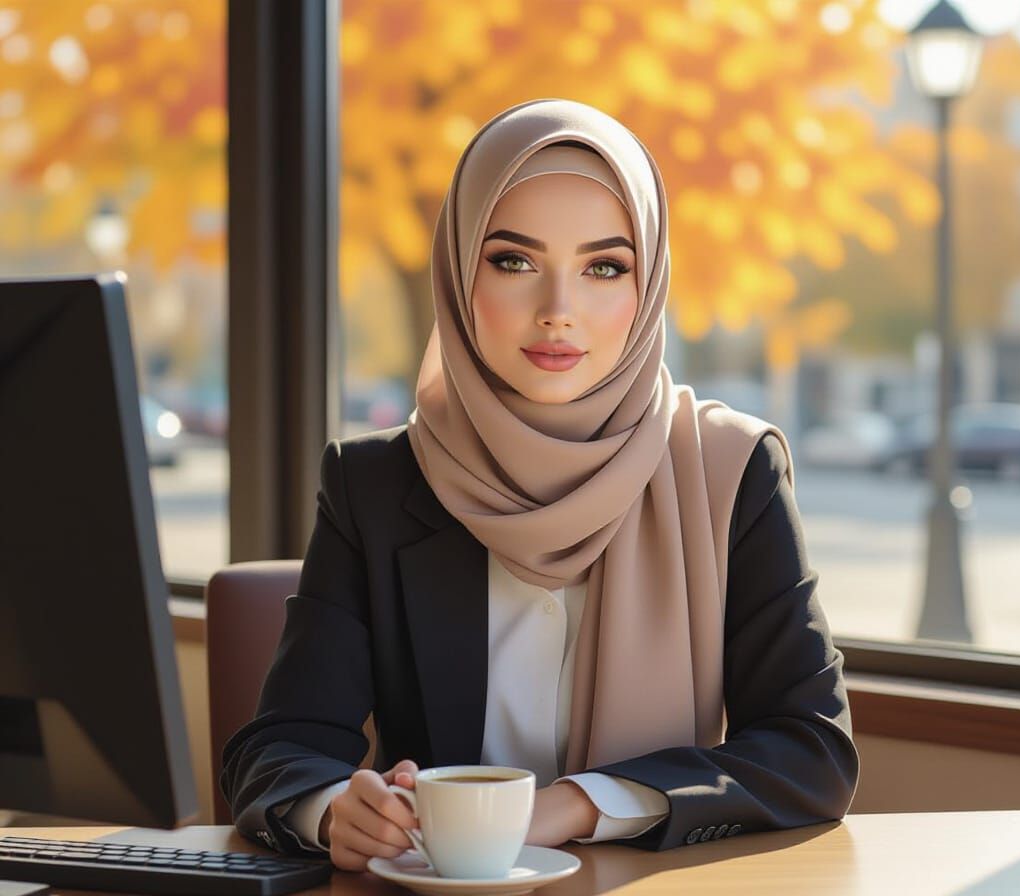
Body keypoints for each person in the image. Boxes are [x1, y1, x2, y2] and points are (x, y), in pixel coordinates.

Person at [221, 98, 858, 873]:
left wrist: (578, 804)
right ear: (460, 275)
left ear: (647, 281)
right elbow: (281, 747)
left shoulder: (731, 471)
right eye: (514, 261)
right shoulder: (376, 485)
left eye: (604, 267)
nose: (559, 312)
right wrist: (332, 812)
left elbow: (812, 750)